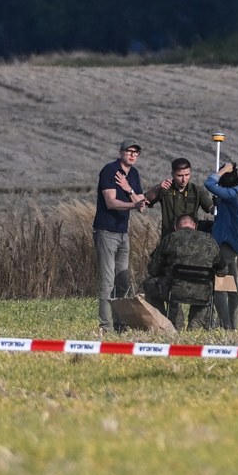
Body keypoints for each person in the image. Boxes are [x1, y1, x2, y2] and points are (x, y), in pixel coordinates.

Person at [143, 157, 214, 324]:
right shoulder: (166, 190)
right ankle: (169, 321)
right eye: (180, 175)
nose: (183, 179)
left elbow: (211, 208)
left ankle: (198, 321)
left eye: (187, 175)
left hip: (192, 247)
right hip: (169, 245)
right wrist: (158, 187)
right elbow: (146, 200)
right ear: (173, 174)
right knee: (167, 282)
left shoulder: (197, 190)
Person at [94, 139, 147, 333]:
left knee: (122, 281)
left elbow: (142, 205)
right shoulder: (110, 171)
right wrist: (134, 202)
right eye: (129, 151)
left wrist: (128, 189)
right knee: (107, 282)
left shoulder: (134, 174)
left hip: (124, 233)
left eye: (136, 152)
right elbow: (111, 202)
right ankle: (106, 327)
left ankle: (120, 324)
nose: (132, 155)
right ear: (121, 152)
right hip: (106, 232)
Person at [142, 214, 226, 330]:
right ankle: (195, 324)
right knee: (205, 289)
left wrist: (166, 270)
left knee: (149, 284)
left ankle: (169, 322)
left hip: (175, 290)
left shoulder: (170, 238)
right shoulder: (210, 240)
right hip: (203, 291)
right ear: (194, 226)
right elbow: (222, 271)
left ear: (175, 227)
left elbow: (153, 269)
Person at [205, 160, 238, 330]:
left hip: (225, 245)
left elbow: (209, 183)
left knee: (222, 286)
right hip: (228, 245)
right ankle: (230, 324)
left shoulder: (233, 194)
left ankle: (227, 325)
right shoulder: (237, 192)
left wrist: (222, 171)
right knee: (231, 286)